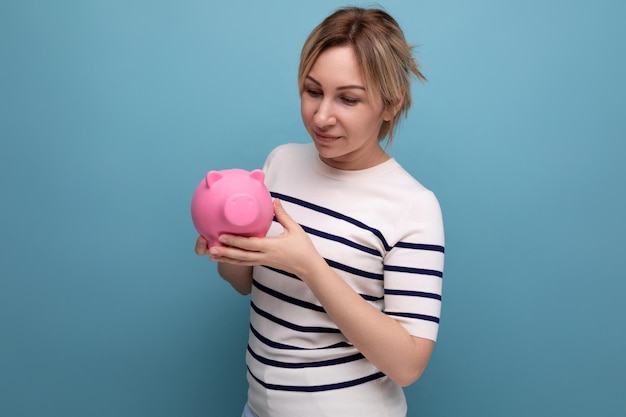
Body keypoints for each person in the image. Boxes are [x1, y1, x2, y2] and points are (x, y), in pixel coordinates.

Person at [195, 6, 444, 417]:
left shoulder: (414, 206)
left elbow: (408, 365)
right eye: (313, 91)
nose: (321, 116)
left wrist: (311, 267)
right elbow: (245, 283)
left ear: (391, 105)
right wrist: (225, 247)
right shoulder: (279, 163)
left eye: (348, 99)